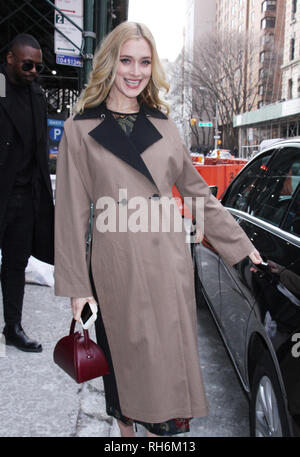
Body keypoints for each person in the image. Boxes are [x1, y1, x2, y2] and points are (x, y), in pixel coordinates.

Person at [54, 22, 262, 437]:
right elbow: (71, 214)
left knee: (163, 380)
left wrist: (240, 246)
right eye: (127, 60)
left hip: (168, 267)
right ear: (110, 63)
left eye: (145, 62)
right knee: (124, 376)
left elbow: (198, 195)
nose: (136, 71)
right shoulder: (80, 129)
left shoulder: (165, 127)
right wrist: (78, 287)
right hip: (117, 271)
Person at [0, 34, 54, 352]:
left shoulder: (37, 95)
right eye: (28, 64)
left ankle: (13, 327)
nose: (34, 71)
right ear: (9, 58)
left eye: (38, 66)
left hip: (23, 197)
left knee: (15, 264)